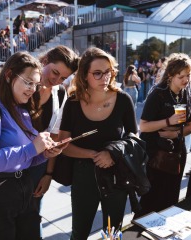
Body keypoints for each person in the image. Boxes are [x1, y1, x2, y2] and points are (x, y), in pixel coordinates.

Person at [0, 51, 66, 240]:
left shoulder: (17, 107)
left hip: (18, 200)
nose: (33, 89)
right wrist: (32, 149)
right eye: (28, 82)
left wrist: (43, 154)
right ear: (9, 76)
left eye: (36, 84)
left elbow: (21, 160)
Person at [58, 47, 138, 239]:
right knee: (79, 232)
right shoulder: (73, 103)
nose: (105, 78)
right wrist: (94, 155)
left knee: (112, 233)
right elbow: (63, 144)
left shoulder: (123, 99)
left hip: (116, 173)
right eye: (98, 73)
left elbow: (134, 135)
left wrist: (112, 153)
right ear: (85, 75)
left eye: (108, 72)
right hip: (83, 175)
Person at [28, 45, 79, 239]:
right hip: (9, 166)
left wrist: (48, 173)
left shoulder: (59, 94)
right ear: (45, 60)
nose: (56, 80)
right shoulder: (22, 84)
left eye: (63, 78)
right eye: (54, 72)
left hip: (37, 168)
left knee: (33, 219)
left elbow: (54, 138)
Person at [138, 53, 191, 217]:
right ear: (170, 75)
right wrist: (168, 121)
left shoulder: (187, 93)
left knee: (171, 198)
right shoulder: (158, 93)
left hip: (177, 153)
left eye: (188, 75)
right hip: (155, 155)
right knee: (151, 200)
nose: (186, 80)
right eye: (181, 76)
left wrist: (175, 133)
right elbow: (143, 126)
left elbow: (190, 126)